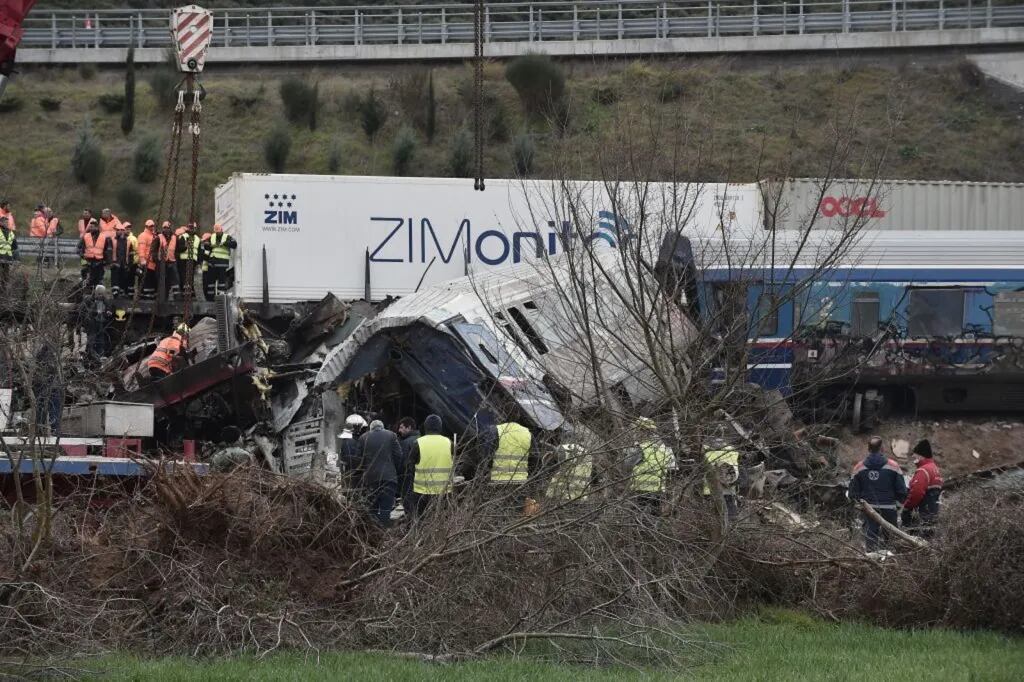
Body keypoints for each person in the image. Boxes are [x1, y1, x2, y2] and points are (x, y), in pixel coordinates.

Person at [848, 436, 908, 552]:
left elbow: (852, 493)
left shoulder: (858, 467)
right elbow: (902, 491)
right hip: (889, 508)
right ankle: (891, 559)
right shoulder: (894, 466)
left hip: (869, 509)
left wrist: (861, 506)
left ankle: (872, 560)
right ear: (882, 448)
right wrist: (897, 505)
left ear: (868, 449)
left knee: (870, 541)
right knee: (891, 541)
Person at [355, 419, 403, 527]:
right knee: (386, 508)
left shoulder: (363, 438)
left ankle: (373, 531)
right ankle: (384, 530)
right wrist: (393, 469)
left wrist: (363, 471)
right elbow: (399, 455)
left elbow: (358, 459)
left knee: (372, 508)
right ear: (382, 427)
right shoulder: (391, 435)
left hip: (371, 479)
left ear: (371, 428)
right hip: (389, 479)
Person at [407, 414, 454, 520]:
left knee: (421, 521)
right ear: (440, 427)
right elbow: (454, 464)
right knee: (442, 520)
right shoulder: (449, 443)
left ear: (425, 426)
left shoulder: (418, 443)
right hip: (444, 492)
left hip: (422, 492)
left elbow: (410, 467)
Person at [629, 417, 673, 515]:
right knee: (654, 516)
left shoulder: (639, 448)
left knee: (638, 516)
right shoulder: (663, 447)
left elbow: (627, 465)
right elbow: (671, 468)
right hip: (658, 489)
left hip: (640, 489)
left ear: (641, 431)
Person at [902, 439, 943, 531]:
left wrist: (907, 508)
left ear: (921, 455)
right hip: (933, 514)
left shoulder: (923, 471)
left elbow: (916, 493)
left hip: (922, 515)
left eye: (915, 454)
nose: (913, 456)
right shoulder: (935, 469)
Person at [703, 436, 741, 524]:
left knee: (711, 520)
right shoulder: (732, 450)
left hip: (709, 490)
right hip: (729, 489)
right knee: (730, 518)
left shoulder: (704, 450)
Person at [200, 223, 237, 300]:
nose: (217, 233)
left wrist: (224, 243)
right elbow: (207, 247)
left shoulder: (227, 237)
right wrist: (208, 245)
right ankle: (210, 299)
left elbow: (234, 244)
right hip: (212, 264)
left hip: (221, 264)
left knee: (221, 283)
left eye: (218, 232)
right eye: (216, 232)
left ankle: (220, 299)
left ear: (221, 230)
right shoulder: (212, 237)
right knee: (211, 283)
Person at [79, 284, 112, 363]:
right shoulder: (88, 299)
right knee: (91, 340)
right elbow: (82, 312)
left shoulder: (104, 300)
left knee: (100, 340)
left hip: (100, 323)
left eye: (102, 294)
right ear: (96, 292)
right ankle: (89, 357)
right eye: (99, 294)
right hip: (91, 323)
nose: (100, 295)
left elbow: (108, 307)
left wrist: (108, 311)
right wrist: (83, 324)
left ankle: (100, 356)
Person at [396, 416, 420, 516]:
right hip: (421, 480)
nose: (399, 430)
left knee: (409, 507)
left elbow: (403, 464)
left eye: (401, 427)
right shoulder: (421, 439)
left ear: (409, 427)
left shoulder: (405, 443)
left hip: (408, 480)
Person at [78, 219, 111, 287]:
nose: (91, 228)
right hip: (88, 261)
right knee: (87, 278)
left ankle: (97, 291)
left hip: (99, 262)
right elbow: (79, 247)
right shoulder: (86, 236)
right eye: (90, 227)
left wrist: (106, 261)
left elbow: (107, 250)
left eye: (92, 227)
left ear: (97, 227)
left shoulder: (103, 237)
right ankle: (86, 290)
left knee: (98, 280)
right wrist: (82, 254)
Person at [175, 221, 202, 298]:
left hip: (193, 261)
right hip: (183, 260)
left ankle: (191, 293)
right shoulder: (183, 237)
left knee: (191, 278)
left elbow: (200, 252)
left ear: (195, 228)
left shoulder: (197, 239)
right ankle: (184, 293)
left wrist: (199, 262)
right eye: (190, 228)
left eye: (193, 228)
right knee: (183, 277)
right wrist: (185, 247)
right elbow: (178, 249)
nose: (191, 229)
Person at [110, 223, 138, 297]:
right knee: (115, 280)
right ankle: (115, 294)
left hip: (125, 264)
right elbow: (109, 252)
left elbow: (131, 254)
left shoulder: (128, 242)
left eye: (121, 230)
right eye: (118, 230)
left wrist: (129, 264)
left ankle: (122, 294)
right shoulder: (112, 240)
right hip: (115, 264)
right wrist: (111, 263)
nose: (120, 231)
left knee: (123, 280)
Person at [156, 221, 179, 300]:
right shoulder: (159, 237)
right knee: (163, 280)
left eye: (167, 228)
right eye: (164, 228)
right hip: (162, 262)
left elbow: (177, 249)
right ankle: (163, 297)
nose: (166, 229)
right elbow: (154, 249)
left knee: (175, 280)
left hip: (172, 260)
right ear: (162, 228)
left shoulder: (175, 237)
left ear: (170, 229)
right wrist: (156, 259)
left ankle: (176, 297)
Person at [136, 219, 158, 300]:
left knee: (151, 280)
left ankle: (150, 296)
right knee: (145, 280)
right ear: (146, 226)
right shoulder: (143, 235)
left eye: (153, 226)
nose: (152, 227)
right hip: (146, 262)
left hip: (153, 263)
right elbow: (141, 249)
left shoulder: (154, 236)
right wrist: (142, 260)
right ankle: (144, 297)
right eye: (150, 226)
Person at [0, 214, 18, 290]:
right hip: (1, 257)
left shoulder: (11, 233)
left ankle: (4, 289)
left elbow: (15, 247)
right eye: (5, 222)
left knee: (6, 275)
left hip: (7, 258)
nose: (7, 224)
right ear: (1, 223)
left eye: (7, 222)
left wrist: (16, 258)